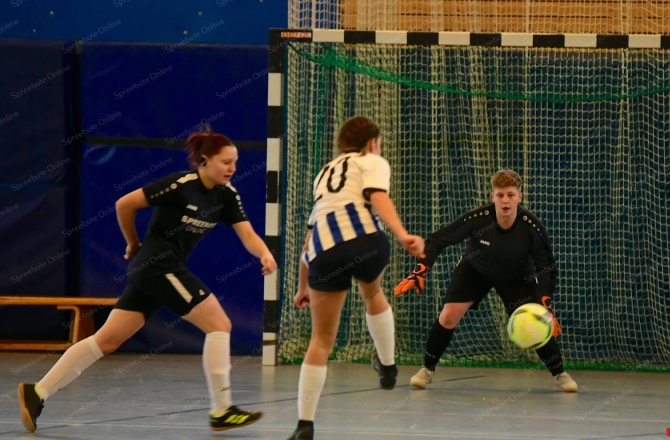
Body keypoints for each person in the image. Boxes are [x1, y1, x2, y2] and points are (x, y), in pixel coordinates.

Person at [18, 127, 278, 432]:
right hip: (157, 268)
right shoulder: (180, 185)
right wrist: (132, 242)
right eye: (225, 162)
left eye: (235, 162)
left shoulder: (227, 195)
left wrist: (264, 254)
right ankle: (222, 410)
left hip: (158, 272)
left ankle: (37, 392)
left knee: (107, 340)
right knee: (219, 325)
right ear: (204, 161)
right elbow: (124, 204)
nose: (232, 168)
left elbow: (246, 233)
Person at [286, 116, 425, 440]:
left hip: (324, 253)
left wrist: (302, 286)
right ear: (372, 142)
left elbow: (310, 238)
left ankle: (304, 425)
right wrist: (403, 234)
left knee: (321, 341)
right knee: (373, 293)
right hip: (366, 244)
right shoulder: (371, 160)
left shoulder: (324, 174)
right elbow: (377, 197)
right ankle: (388, 366)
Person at [394, 169, 578, 393]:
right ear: (493, 197)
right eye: (500, 195)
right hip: (476, 269)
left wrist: (546, 305)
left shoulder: (532, 226)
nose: (505, 200)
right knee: (448, 316)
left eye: (511, 195)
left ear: (520, 196)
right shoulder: (478, 218)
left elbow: (546, 267)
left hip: (517, 276)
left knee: (536, 322)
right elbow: (438, 239)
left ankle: (560, 374)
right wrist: (420, 270)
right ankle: (427, 369)